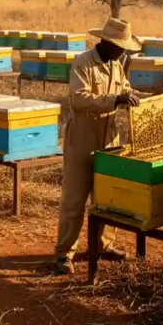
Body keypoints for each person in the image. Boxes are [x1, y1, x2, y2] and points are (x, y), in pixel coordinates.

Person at [54, 18, 141, 275]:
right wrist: (116, 99)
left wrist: (135, 98)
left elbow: (125, 90)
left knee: (107, 198)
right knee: (74, 200)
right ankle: (64, 253)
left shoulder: (117, 65)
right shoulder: (83, 63)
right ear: (106, 42)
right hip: (82, 139)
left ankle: (104, 245)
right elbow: (80, 99)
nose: (123, 52)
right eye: (120, 47)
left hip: (110, 140)